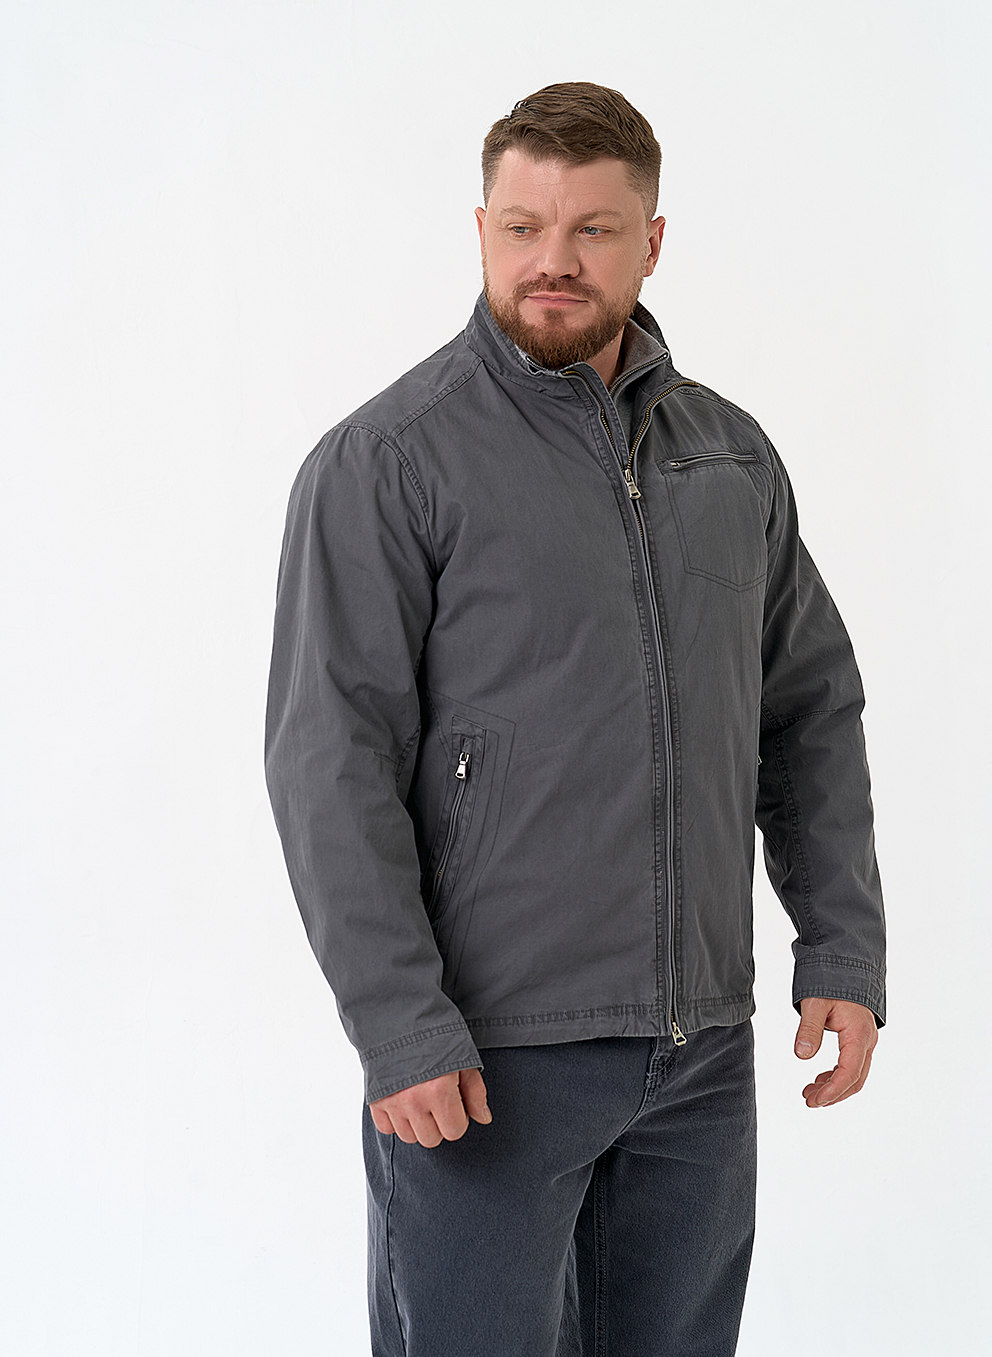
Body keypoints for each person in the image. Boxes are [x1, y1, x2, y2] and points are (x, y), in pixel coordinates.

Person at [265, 81, 885, 1357]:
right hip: (485, 1059)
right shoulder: (389, 461)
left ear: (649, 242)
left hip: (698, 1055)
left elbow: (806, 709)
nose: (551, 259)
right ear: (480, 230)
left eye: (591, 229)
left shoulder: (728, 459)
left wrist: (839, 946)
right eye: (521, 226)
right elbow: (329, 759)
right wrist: (398, 1023)